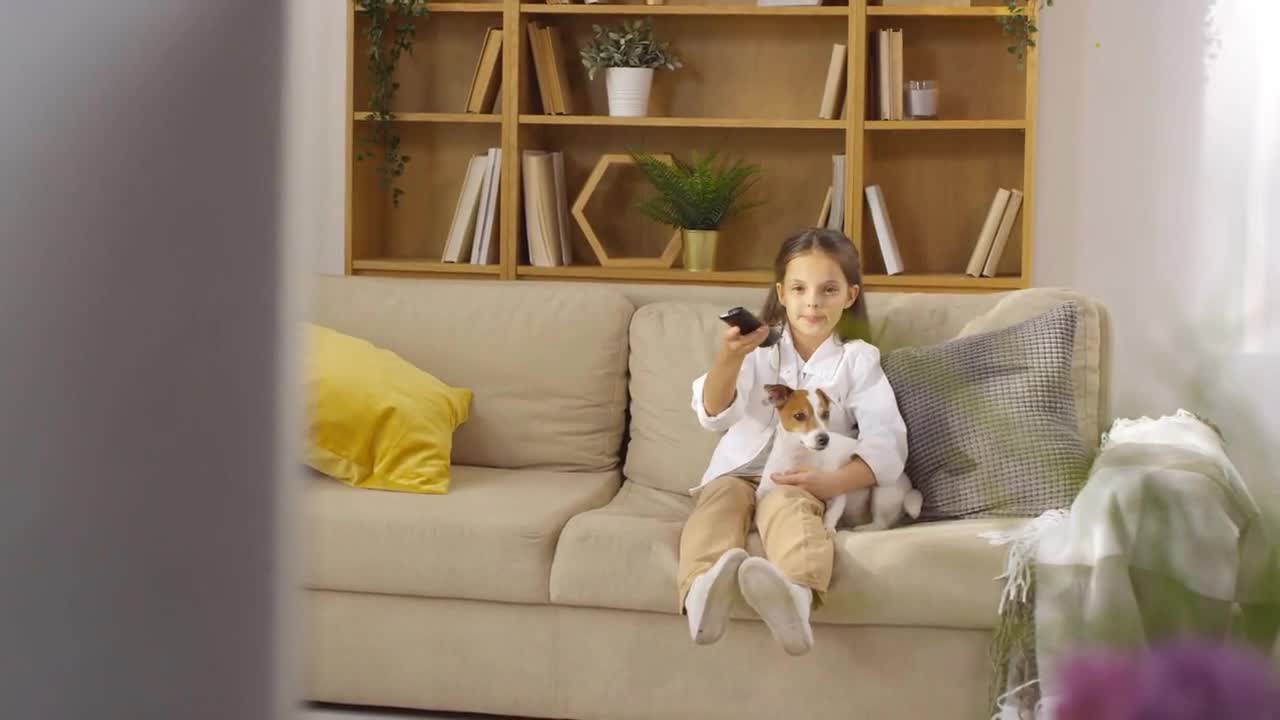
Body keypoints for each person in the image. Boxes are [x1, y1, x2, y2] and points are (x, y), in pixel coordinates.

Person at [678, 227, 908, 656]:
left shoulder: (857, 360)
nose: (813, 302)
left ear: (850, 295)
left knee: (790, 507)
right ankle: (701, 595)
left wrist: (831, 484)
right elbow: (713, 414)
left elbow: (887, 441)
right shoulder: (759, 350)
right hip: (738, 472)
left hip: (798, 478)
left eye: (828, 290)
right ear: (781, 293)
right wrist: (730, 357)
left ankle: (795, 595)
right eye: (800, 289)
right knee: (719, 503)